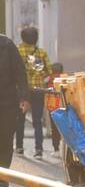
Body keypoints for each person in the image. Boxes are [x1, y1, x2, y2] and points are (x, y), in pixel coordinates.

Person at [15, 27, 51, 159]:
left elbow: (13, 69)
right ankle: (39, 150)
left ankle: (19, 147)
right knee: (37, 120)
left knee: (20, 118)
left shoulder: (18, 50)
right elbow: (49, 70)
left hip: (22, 90)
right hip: (38, 90)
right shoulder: (41, 53)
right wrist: (39, 76)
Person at [0, 34, 29, 187]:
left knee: (5, 138)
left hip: (7, 102)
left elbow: (20, 71)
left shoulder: (6, 44)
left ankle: (3, 176)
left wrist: (24, 97)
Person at [46, 62, 64, 158]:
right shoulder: (64, 79)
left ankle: (56, 149)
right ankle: (64, 150)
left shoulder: (50, 80)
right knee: (64, 129)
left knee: (54, 129)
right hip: (63, 108)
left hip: (52, 109)